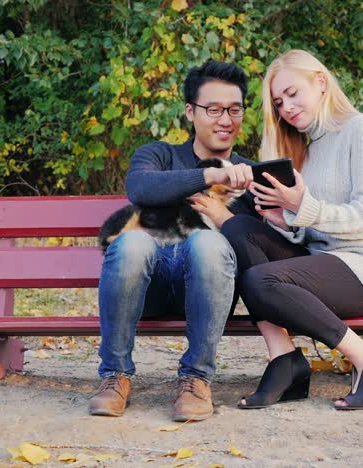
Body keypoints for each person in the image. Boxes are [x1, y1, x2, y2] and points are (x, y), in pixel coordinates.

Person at [88, 60, 257, 421]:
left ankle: (196, 379)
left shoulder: (252, 175)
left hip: (211, 288)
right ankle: (115, 375)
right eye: (213, 109)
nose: (225, 119)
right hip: (148, 284)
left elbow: (259, 248)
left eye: (234, 109)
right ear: (190, 112)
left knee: (207, 244)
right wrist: (211, 173)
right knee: (132, 243)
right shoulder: (159, 155)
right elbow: (141, 187)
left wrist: (225, 217)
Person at [210, 49, 362, 410]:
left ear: (321, 82)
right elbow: (311, 229)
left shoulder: (358, 130)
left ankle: (360, 353)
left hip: (357, 266)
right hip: (321, 261)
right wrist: (285, 221)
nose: (287, 108)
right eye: (279, 102)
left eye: (293, 93)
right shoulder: (305, 148)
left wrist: (301, 208)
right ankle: (285, 359)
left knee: (260, 281)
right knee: (239, 228)